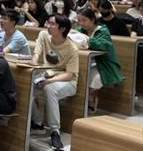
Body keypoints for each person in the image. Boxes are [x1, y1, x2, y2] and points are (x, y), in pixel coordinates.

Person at [30, 14, 79, 151]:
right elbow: (37, 53)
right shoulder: (43, 35)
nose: (48, 26)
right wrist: (33, 64)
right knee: (27, 84)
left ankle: (54, 132)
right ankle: (36, 122)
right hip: (46, 75)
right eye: (48, 23)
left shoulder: (71, 48)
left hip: (67, 81)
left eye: (52, 24)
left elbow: (69, 75)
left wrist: (48, 81)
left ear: (62, 29)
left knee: (50, 89)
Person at [76, 8, 124, 112]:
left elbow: (103, 46)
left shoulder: (103, 30)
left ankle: (90, 97)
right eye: (79, 20)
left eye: (84, 20)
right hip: (85, 62)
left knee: (97, 79)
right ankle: (86, 100)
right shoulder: (79, 30)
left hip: (103, 64)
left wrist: (88, 39)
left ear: (92, 19)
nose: (81, 23)